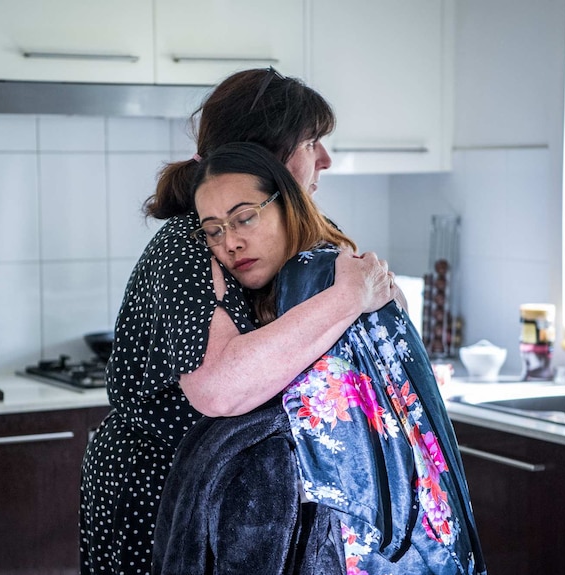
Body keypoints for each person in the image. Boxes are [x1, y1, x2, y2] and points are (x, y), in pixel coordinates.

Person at [79, 68, 395, 575]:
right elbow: (221, 388)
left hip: (246, 503)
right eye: (311, 141)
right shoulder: (189, 244)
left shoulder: (295, 233)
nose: (325, 160)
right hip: (162, 495)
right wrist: (348, 297)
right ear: (264, 157)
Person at [153, 142, 487, 575]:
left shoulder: (317, 277)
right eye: (213, 230)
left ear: (286, 205)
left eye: (244, 217)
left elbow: (343, 466)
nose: (230, 242)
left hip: (373, 546)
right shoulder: (301, 284)